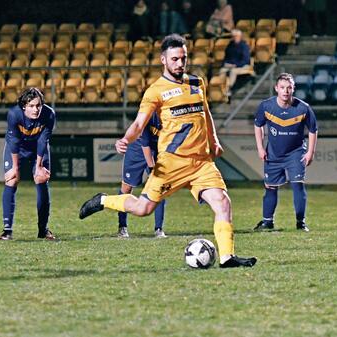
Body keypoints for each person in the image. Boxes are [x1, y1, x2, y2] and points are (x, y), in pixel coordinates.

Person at [79, 34, 256, 268]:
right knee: (143, 209)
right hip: (171, 163)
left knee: (223, 202)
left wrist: (213, 139)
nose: (180, 63)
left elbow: (206, 112)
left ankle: (227, 257)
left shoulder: (197, 82)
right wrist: (125, 139)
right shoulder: (155, 91)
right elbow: (139, 124)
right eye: (175, 59)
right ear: (163, 60)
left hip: (201, 163)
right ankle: (103, 200)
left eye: (183, 58)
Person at [253, 73, 318, 232]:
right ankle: (267, 221)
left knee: (297, 185)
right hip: (273, 154)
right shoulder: (266, 106)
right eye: (282, 87)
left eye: (289, 87)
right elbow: (258, 125)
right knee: (270, 187)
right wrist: (260, 148)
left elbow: (313, 129)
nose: (286, 91)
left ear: (293, 89)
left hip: (296, 153)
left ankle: (300, 222)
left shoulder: (303, 108)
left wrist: (310, 152)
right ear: (276, 88)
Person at [0, 87, 56, 241]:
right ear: (24, 106)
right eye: (31, 106)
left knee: (41, 179)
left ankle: (43, 230)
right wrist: (15, 168)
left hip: (38, 149)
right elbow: (14, 141)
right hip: (18, 149)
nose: (35, 109)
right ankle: (7, 230)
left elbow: (44, 140)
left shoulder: (49, 114)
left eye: (38, 105)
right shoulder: (14, 114)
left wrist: (38, 167)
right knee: (11, 180)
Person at [117, 113, 167, 238]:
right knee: (126, 188)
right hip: (137, 149)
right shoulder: (149, 113)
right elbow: (145, 144)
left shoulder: (171, 112)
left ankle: (159, 229)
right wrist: (151, 168)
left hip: (157, 150)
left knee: (160, 187)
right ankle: (122, 227)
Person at [219, 29, 252, 96]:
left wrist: (236, 65)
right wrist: (226, 63)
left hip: (242, 65)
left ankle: (230, 89)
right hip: (230, 65)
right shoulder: (230, 46)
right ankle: (222, 88)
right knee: (222, 71)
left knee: (233, 71)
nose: (234, 37)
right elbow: (226, 57)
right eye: (233, 36)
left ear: (240, 36)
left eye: (236, 36)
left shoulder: (244, 46)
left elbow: (245, 60)